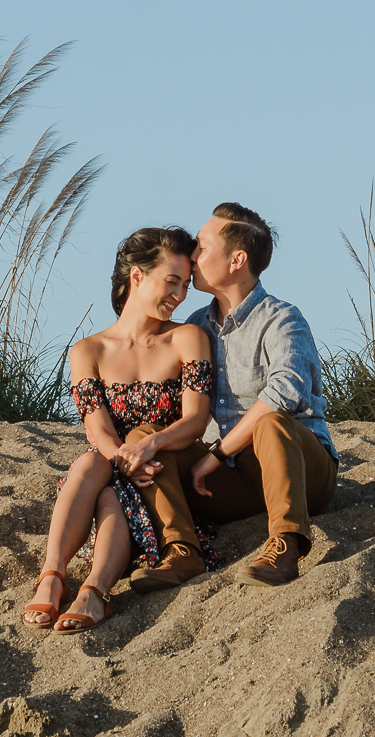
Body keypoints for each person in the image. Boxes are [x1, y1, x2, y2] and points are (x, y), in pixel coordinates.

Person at [131, 202, 338, 590]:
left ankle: (286, 544)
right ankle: (182, 551)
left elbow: (285, 391)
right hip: (232, 481)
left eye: (203, 247)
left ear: (236, 260)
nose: (192, 255)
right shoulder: (194, 328)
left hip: (303, 473)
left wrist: (217, 453)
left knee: (272, 422)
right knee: (146, 437)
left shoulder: (282, 319)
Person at [20, 225, 216, 634]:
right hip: (114, 465)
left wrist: (150, 447)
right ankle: (53, 576)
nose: (179, 296)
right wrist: (125, 461)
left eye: (185, 286)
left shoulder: (188, 338)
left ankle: (95, 590)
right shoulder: (88, 350)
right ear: (137, 276)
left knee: (112, 487)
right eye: (171, 282)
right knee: (92, 466)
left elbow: (196, 420)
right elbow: (98, 429)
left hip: (165, 471)